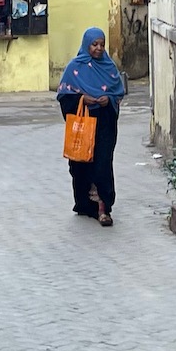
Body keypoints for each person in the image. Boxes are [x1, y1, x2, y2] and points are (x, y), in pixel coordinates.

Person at [56, 28, 126, 227]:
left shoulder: (109, 67)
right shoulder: (75, 67)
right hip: (83, 124)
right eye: (94, 44)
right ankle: (86, 205)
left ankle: (104, 209)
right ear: (87, 44)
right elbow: (64, 95)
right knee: (81, 164)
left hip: (104, 123)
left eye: (102, 44)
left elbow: (118, 94)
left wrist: (109, 100)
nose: (98, 48)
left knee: (102, 163)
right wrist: (82, 99)